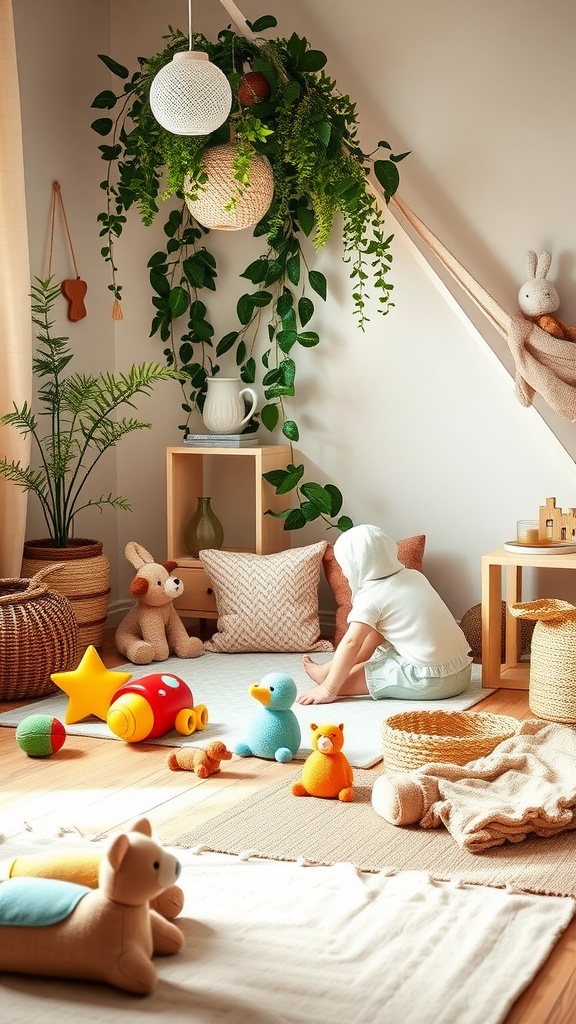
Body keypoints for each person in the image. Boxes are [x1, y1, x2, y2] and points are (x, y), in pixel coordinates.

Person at [297, 524, 472, 706]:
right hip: (462, 671)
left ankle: (327, 680)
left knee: (342, 683)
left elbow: (351, 643)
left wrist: (328, 689)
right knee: (377, 637)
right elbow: (376, 638)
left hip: (431, 681)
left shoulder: (371, 596)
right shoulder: (414, 576)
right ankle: (328, 670)